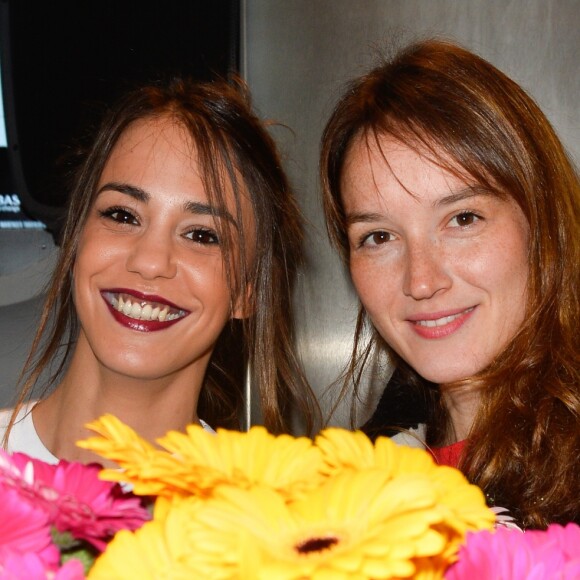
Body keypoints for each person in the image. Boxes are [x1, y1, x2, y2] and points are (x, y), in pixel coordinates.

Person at [320, 38, 579, 529]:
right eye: (378, 236)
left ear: (542, 222)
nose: (421, 280)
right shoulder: (343, 503)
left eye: (462, 219)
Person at [1, 76, 319, 466]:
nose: (150, 262)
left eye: (202, 235)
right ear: (78, 239)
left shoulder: (263, 518)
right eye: (122, 215)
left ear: (247, 292)